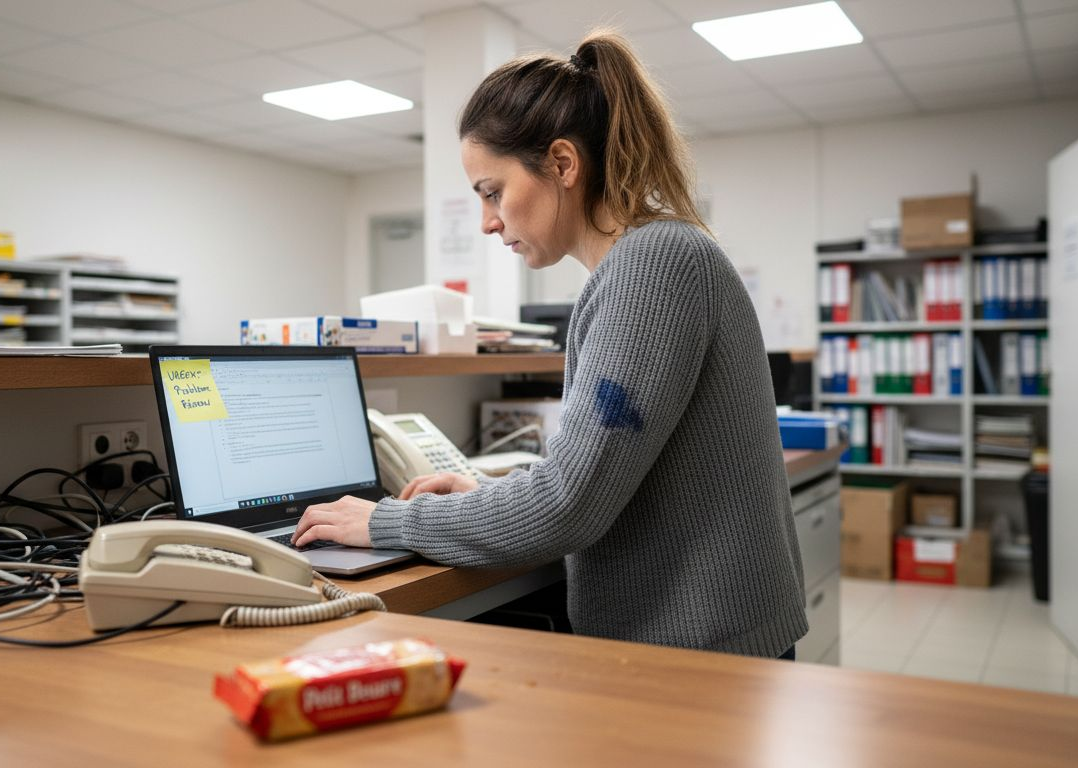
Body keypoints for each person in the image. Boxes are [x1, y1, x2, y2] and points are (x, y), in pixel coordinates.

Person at [295, 30, 808, 659]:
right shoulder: (644, 261)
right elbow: (597, 478)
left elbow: (568, 506)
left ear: (563, 164)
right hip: (701, 643)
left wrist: (385, 521)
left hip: (705, 656)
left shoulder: (652, 265)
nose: (488, 221)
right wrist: (485, 497)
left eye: (493, 192)